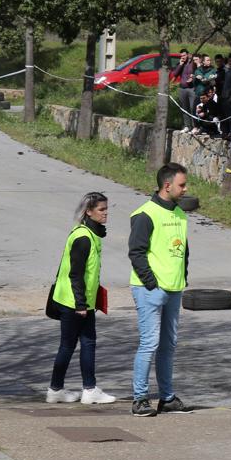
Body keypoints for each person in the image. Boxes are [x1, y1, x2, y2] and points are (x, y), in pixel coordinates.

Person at [128, 163, 190, 417]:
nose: (185, 189)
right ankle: (140, 398)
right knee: (149, 343)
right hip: (150, 289)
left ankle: (167, 397)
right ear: (167, 185)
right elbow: (136, 252)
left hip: (174, 288)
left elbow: (183, 250)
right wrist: (151, 283)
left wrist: (182, 276)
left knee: (169, 345)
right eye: (182, 184)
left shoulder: (180, 213)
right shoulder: (145, 214)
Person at [47, 192, 115, 405]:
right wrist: (81, 305)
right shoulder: (84, 238)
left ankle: (58, 390)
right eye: (101, 209)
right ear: (89, 211)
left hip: (77, 300)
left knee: (73, 344)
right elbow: (75, 274)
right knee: (84, 343)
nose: (106, 213)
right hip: (75, 302)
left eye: (106, 209)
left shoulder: (88, 233)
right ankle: (87, 389)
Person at [172, 51, 195, 123]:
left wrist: (192, 78)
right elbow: (175, 74)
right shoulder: (180, 64)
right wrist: (180, 65)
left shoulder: (193, 64)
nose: (182, 57)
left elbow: (197, 73)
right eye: (181, 56)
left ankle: (195, 126)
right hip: (182, 89)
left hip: (192, 88)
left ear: (188, 55)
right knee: (184, 108)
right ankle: (187, 125)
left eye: (184, 55)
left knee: (192, 107)